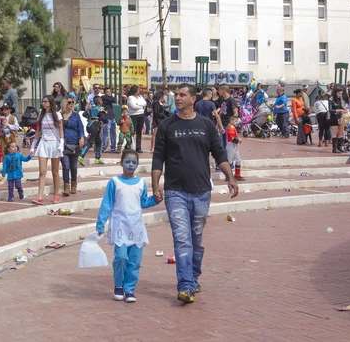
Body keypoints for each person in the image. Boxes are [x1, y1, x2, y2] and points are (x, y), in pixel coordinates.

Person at [152, 83, 238, 303]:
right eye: (176, 95)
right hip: (175, 192)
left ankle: (194, 276)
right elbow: (158, 157)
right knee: (182, 239)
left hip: (201, 191)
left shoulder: (206, 124)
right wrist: (155, 184)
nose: (177, 98)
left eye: (182, 95)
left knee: (196, 239)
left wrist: (230, 177)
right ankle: (185, 285)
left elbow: (218, 153)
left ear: (192, 99)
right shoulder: (167, 125)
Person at [96, 149, 159, 303]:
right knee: (121, 257)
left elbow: (143, 202)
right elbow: (107, 204)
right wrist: (100, 223)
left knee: (135, 260)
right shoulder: (114, 182)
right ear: (121, 163)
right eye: (127, 162)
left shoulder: (141, 183)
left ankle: (130, 289)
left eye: (134, 162)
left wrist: (156, 199)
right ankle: (119, 285)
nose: (131, 165)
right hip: (120, 226)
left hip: (136, 227)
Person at [30, 95, 64, 205]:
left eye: (46, 102)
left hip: (55, 143)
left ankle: (56, 195)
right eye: (43, 102)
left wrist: (62, 143)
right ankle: (39, 196)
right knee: (42, 171)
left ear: (51, 103)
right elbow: (38, 131)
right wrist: (33, 146)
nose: (43, 104)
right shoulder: (41, 115)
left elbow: (60, 129)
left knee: (55, 172)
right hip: (44, 143)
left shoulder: (57, 115)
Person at [60, 95, 85, 196]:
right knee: (65, 165)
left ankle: (74, 184)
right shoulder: (59, 115)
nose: (71, 104)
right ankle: (66, 186)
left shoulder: (76, 115)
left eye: (72, 102)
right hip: (63, 145)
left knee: (73, 166)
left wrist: (81, 137)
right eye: (69, 102)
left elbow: (81, 127)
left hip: (74, 143)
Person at [78, 96, 107, 166]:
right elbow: (103, 117)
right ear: (100, 102)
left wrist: (90, 117)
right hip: (95, 125)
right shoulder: (101, 108)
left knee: (98, 141)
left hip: (89, 125)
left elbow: (84, 114)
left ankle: (97, 158)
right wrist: (105, 120)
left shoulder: (91, 108)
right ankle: (81, 156)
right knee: (90, 141)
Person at [215, 84, 238, 152]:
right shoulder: (221, 99)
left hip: (228, 125)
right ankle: (224, 160)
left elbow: (236, 113)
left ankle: (230, 160)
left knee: (229, 144)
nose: (218, 91)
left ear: (223, 90)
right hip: (221, 125)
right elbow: (221, 112)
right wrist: (217, 124)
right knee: (222, 144)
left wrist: (231, 124)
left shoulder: (231, 100)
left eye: (219, 90)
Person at [226, 116, 246, 181]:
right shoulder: (230, 128)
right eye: (235, 121)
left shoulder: (233, 128)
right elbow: (231, 138)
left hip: (234, 146)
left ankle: (237, 175)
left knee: (238, 160)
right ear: (231, 122)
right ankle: (228, 176)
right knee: (229, 161)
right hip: (231, 146)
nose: (237, 122)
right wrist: (238, 140)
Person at [127, 85, 146, 152]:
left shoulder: (140, 97)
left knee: (139, 132)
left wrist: (138, 104)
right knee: (132, 131)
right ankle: (129, 145)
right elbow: (133, 106)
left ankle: (138, 147)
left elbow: (145, 103)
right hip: (133, 116)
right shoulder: (130, 97)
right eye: (138, 89)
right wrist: (141, 106)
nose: (139, 91)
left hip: (141, 115)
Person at [329, 86, 348, 153]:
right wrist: (339, 110)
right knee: (334, 133)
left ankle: (340, 147)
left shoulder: (340, 99)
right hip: (334, 117)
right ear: (335, 92)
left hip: (340, 117)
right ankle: (334, 148)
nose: (340, 95)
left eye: (341, 93)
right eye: (339, 93)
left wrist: (344, 109)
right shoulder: (331, 99)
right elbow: (330, 110)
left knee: (341, 132)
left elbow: (341, 107)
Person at [101, 87, 116, 153]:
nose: (109, 93)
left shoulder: (110, 98)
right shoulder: (103, 97)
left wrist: (111, 98)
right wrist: (111, 98)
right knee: (106, 133)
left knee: (113, 133)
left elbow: (113, 99)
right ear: (105, 92)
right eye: (107, 92)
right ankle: (105, 147)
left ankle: (113, 147)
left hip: (112, 117)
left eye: (110, 91)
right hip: (106, 117)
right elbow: (112, 99)